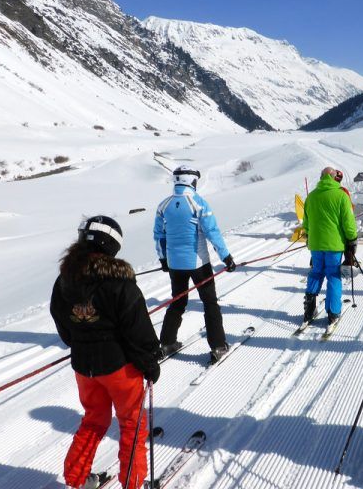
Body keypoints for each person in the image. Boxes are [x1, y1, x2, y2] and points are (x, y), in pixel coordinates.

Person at [50, 216, 161, 489]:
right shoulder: (121, 284)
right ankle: (133, 484)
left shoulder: (64, 281)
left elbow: (63, 325)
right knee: (132, 424)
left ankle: (76, 479)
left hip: (84, 369)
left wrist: (80, 339)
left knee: (94, 420)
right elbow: (139, 331)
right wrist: (150, 362)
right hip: (120, 369)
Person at [154, 165, 236, 364]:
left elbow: (158, 236)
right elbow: (212, 232)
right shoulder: (198, 203)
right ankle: (218, 346)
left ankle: (166, 343)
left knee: (178, 301)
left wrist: (163, 259)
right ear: (192, 181)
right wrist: (226, 257)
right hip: (198, 263)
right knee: (210, 303)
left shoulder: (163, 205)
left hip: (175, 264)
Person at [302, 167, 358, 324]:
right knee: (333, 275)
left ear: (321, 177)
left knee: (316, 272)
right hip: (334, 245)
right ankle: (333, 313)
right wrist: (352, 238)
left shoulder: (311, 196)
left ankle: (309, 310)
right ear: (334, 178)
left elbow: (306, 224)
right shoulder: (341, 195)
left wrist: (309, 236)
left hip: (315, 245)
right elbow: (348, 223)